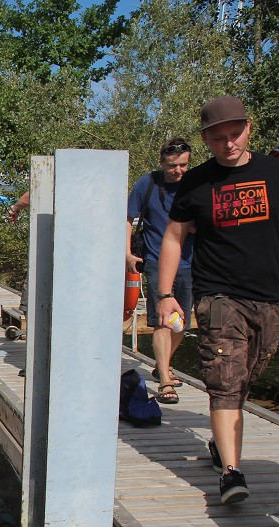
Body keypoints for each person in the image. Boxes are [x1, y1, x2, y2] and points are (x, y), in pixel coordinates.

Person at [156, 96, 279, 504]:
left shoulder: (277, 172)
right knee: (224, 379)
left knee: (246, 376)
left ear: (248, 128)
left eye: (234, 134)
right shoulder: (197, 182)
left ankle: (222, 445)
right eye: (218, 138)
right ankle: (232, 474)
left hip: (269, 298)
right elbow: (174, 237)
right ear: (205, 139)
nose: (228, 144)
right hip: (218, 295)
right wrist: (165, 295)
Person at [126, 138, 194, 404]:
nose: (179, 171)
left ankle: (162, 363)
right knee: (162, 319)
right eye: (173, 166)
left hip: (189, 260)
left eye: (184, 165)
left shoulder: (194, 184)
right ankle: (165, 379)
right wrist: (128, 253)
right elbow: (127, 218)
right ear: (162, 162)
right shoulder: (148, 183)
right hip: (155, 259)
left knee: (181, 322)